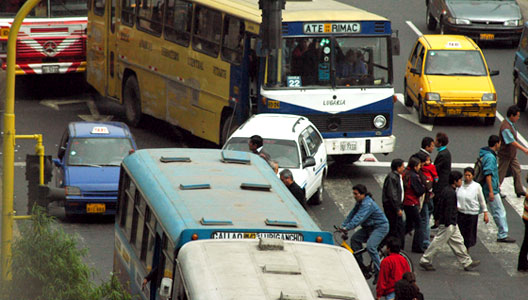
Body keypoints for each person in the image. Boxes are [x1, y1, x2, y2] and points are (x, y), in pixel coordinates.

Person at [419, 171, 480, 272]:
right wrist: (448, 223)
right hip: (448, 223)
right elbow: (448, 209)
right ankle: (425, 260)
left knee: (458, 242)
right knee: (438, 243)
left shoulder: (447, 190)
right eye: (460, 179)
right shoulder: (450, 193)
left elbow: (439, 205)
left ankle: (466, 262)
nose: (461, 181)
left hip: (451, 222)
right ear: (455, 181)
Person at [341, 184, 389, 282]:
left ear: (363, 194)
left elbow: (359, 217)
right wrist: (343, 226)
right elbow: (352, 214)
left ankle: (379, 273)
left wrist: (348, 228)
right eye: (353, 194)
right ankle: (360, 266)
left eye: (356, 194)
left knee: (371, 247)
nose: (354, 196)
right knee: (354, 239)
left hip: (380, 227)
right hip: (368, 228)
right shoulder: (359, 202)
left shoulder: (367, 204)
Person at [480, 135, 516, 243]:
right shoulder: (490, 157)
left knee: (475, 208)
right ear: (496, 144)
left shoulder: (486, 154)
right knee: (499, 211)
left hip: (489, 188)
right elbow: (488, 175)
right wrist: (492, 191)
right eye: (499, 143)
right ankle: (502, 234)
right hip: (490, 190)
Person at [498, 105, 528, 198]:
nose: (518, 118)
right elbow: (511, 141)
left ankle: (519, 190)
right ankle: (495, 190)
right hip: (505, 154)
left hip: (511, 155)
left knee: (517, 170)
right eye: (517, 116)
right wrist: (524, 149)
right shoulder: (505, 127)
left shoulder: (510, 124)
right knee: (501, 173)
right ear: (512, 115)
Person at [456, 167, 489, 250]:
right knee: (461, 232)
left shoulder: (477, 186)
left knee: (469, 233)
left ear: (473, 176)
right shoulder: (460, 185)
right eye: (465, 175)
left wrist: (485, 212)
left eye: (469, 175)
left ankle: (466, 249)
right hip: (461, 212)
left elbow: (482, 200)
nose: (467, 177)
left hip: (472, 213)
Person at [403, 157, 426, 253]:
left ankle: (397, 239)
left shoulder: (405, 173)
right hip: (412, 202)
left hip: (406, 202)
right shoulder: (414, 176)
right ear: (415, 166)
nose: (420, 167)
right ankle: (417, 246)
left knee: (408, 224)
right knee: (419, 224)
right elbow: (419, 190)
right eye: (419, 165)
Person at [382, 159, 405, 248]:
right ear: (398, 167)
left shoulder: (396, 176)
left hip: (395, 207)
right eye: (402, 166)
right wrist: (397, 208)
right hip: (392, 208)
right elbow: (392, 194)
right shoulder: (392, 177)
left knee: (397, 228)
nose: (404, 168)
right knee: (394, 229)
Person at [417, 152, 437, 251]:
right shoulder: (421, 173)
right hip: (423, 199)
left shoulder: (425, 170)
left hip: (427, 198)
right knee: (425, 220)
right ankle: (425, 241)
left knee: (424, 218)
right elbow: (426, 185)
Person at [432, 132, 451, 228]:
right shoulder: (443, 152)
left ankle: (438, 221)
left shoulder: (443, 154)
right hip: (442, 182)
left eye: (436, 140)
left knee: (437, 202)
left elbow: (436, 168)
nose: (434, 142)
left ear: (440, 142)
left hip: (441, 183)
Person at [518, 194, 528, 272]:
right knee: (526, 241)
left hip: (526, 216)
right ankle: (522, 263)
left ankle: (522, 263)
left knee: (526, 241)